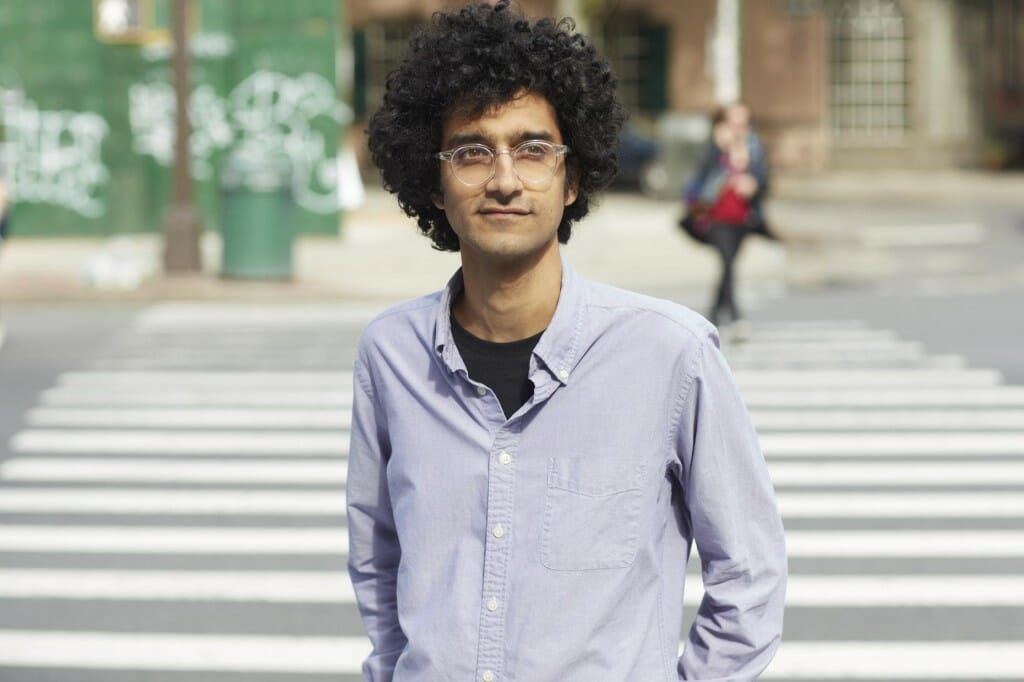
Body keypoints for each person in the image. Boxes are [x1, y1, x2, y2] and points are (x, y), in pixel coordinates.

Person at [347, 3, 787, 681]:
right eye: (471, 151)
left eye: (532, 149)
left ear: (571, 176)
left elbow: (750, 575)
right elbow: (379, 563)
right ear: (434, 184)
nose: (503, 179)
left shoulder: (670, 353)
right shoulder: (391, 354)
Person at [683, 102, 772, 327]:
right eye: (734, 124)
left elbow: (764, 180)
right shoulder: (713, 150)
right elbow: (694, 185)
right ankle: (735, 316)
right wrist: (720, 151)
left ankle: (713, 313)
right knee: (728, 263)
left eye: (744, 124)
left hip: (743, 218)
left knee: (728, 265)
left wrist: (753, 183)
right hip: (716, 219)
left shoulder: (754, 150)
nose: (739, 130)